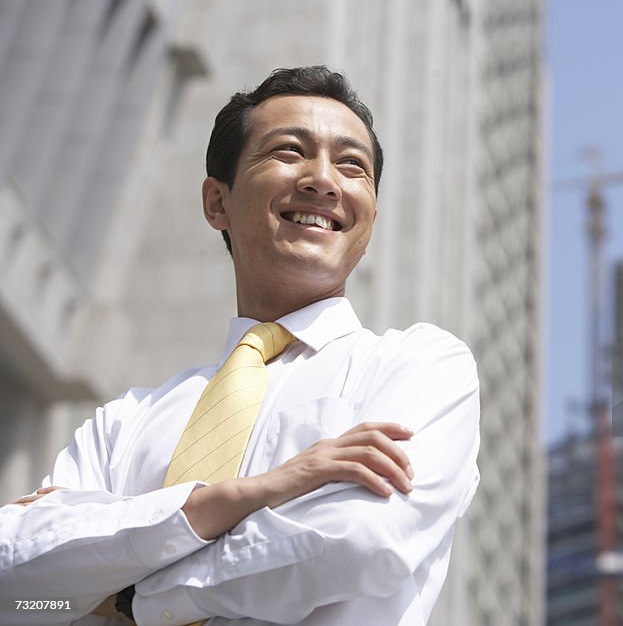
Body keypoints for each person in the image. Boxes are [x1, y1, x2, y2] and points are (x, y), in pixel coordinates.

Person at [0, 66, 481, 626]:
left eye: (353, 166)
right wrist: (242, 497)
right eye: (289, 151)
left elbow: (359, 543)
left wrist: (133, 597)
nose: (323, 180)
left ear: (369, 215)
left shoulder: (419, 366)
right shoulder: (124, 422)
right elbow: (16, 588)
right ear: (216, 203)